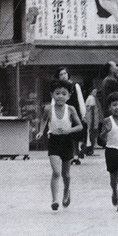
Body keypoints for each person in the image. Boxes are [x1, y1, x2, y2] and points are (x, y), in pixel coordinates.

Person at [36, 79, 83, 211]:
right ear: (52, 94)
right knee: (56, 172)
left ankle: (67, 191)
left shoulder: (71, 109)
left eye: (64, 93)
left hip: (67, 141)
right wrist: (40, 131)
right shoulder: (48, 109)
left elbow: (79, 126)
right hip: (54, 142)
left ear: (68, 95)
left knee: (65, 174)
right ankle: (54, 199)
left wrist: (69, 130)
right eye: (57, 93)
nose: (60, 96)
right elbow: (44, 120)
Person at [54, 67, 86, 165]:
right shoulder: (57, 88)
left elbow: (80, 100)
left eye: (65, 73)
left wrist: (83, 113)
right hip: (62, 112)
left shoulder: (75, 85)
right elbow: (53, 100)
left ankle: (75, 155)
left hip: (74, 112)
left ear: (68, 74)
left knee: (75, 135)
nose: (63, 76)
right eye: (61, 74)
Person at [84, 88, 102, 155]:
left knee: (92, 134)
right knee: (92, 134)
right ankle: (90, 149)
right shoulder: (91, 98)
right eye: (94, 91)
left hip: (94, 120)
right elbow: (92, 111)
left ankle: (91, 148)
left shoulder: (92, 98)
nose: (95, 92)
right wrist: (93, 122)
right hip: (92, 120)